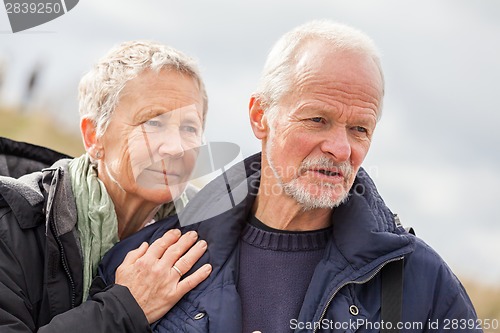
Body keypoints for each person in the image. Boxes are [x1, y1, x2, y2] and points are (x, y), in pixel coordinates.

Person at [99, 21, 481, 332]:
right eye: (318, 120)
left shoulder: (422, 285)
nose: (341, 148)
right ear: (260, 116)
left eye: (359, 129)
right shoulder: (151, 261)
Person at [0, 41, 212, 332]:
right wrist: (125, 307)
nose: (176, 147)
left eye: (189, 128)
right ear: (93, 137)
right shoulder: (10, 228)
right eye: (153, 122)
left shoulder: (212, 238)